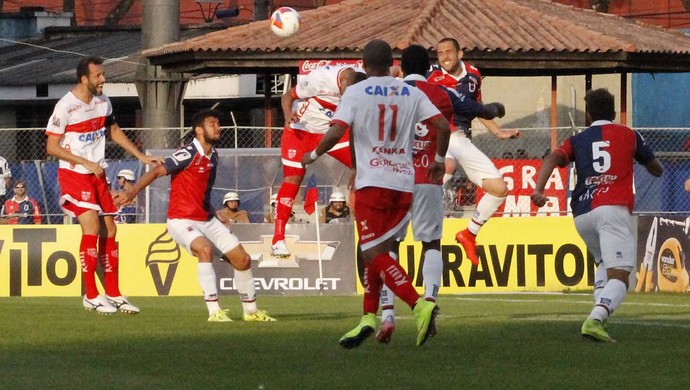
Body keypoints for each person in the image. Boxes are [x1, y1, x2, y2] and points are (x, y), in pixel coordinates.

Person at [302, 39, 452, 348]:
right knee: (378, 250)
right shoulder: (409, 92)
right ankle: (368, 316)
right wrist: (438, 161)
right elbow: (443, 127)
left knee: (373, 252)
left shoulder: (356, 92)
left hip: (373, 184)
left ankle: (418, 304)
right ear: (390, 63)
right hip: (404, 184)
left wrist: (313, 155)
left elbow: (336, 131)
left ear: (364, 64)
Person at [376, 44, 507, 343]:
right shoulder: (441, 93)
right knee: (431, 243)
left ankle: (387, 314)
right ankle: (430, 304)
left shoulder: (388, 94)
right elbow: (478, 109)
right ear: (428, 69)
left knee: (389, 246)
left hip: (393, 180)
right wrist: (496, 110)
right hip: (427, 178)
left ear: (401, 68)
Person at [114, 109, 275, 323]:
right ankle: (214, 311)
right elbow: (156, 171)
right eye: (212, 123)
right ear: (199, 130)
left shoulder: (213, 156)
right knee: (204, 249)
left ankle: (251, 313)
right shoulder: (188, 153)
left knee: (243, 260)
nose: (218, 127)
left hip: (206, 219)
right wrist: (131, 192)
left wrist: (214, 213)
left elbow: (202, 192)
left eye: (218, 123)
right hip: (181, 220)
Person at [531, 88, 663, 342]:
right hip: (612, 208)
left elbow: (552, 158)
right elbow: (655, 168)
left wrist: (539, 189)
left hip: (582, 213)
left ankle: (597, 313)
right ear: (613, 113)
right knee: (622, 275)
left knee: (603, 262)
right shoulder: (629, 135)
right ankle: (596, 319)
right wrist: (645, 162)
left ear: (588, 116)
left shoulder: (577, 140)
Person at [45, 56, 160, 314]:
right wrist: (84, 160)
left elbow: (115, 132)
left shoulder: (103, 102)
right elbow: (51, 147)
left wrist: (141, 156)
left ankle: (114, 293)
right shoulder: (66, 106)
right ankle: (91, 295)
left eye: (103, 75)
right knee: (92, 227)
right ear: (84, 78)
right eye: (98, 76)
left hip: (98, 174)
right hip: (75, 173)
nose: (103, 80)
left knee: (111, 230)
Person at [428, 37, 521, 265]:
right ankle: (418, 205)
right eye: (440, 53)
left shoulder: (473, 75)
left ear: (460, 54)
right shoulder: (431, 76)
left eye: (449, 52)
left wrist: (498, 133)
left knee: (499, 189)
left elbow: (478, 107)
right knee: (447, 166)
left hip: (461, 139)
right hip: (439, 134)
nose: (445, 57)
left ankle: (469, 233)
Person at [271, 64, 363, 257]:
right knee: (292, 180)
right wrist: (288, 116)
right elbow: (287, 96)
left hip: (333, 133)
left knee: (364, 172)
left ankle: (366, 230)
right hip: (301, 130)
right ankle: (278, 239)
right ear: (342, 82)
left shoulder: (361, 81)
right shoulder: (320, 78)